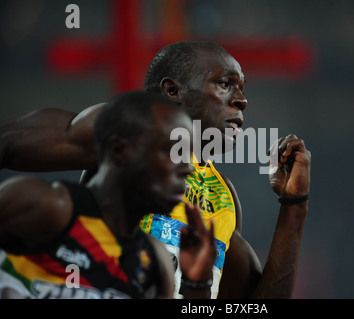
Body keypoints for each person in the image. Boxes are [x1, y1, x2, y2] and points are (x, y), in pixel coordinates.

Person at [0, 41, 311, 299]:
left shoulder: (222, 194)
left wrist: (293, 207)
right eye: (225, 84)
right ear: (172, 91)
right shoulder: (123, 132)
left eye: (242, 88)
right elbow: (7, 143)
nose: (242, 100)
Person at [0, 91, 216, 299]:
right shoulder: (45, 207)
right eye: (172, 151)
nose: (187, 168)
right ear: (119, 149)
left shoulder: (154, 263)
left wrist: (197, 284)